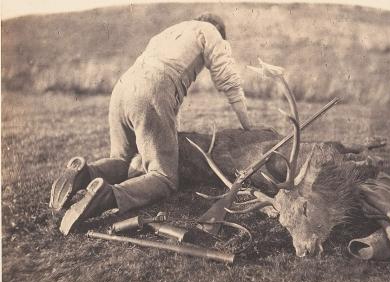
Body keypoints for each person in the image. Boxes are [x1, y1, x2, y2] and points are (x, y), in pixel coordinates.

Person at [50, 13, 263, 235]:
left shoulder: (169, 33)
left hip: (122, 89)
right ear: (219, 30)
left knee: (122, 159)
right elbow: (230, 83)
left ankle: (86, 174)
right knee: (164, 177)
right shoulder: (211, 32)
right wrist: (248, 127)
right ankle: (108, 196)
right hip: (151, 92)